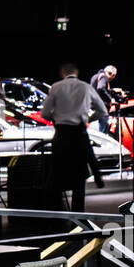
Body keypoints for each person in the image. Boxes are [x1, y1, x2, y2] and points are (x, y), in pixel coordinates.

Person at [40, 63, 105, 210]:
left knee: (57, 174)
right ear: (77, 73)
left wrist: (55, 117)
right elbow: (102, 111)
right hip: (79, 134)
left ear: (62, 73)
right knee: (79, 179)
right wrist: (88, 119)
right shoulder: (86, 87)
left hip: (61, 135)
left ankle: (56, 217)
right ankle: (79, 219)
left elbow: (44, 114)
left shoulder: (55, 87)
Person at [90, 65, 116, 132]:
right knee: (103, 133)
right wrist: (110, 99)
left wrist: (112, 90)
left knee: (95, 132)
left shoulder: (95, 76)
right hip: (101, 108)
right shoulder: (104, 77)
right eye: (114, 76)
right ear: (112, 74)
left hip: (93, 107)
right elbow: (100, 88)